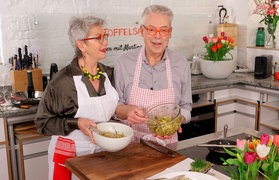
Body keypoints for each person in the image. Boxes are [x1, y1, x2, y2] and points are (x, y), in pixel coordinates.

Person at [34, 16, 118, 180]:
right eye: (98, 38)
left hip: (102, 151)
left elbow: (108, 110)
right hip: (70, 154)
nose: (105, 42)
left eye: (105, 36)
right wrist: (76, 123)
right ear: (81, 45)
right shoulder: (63, 81)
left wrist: (123, 111)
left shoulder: (107, 73)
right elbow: (42, 123)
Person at [114, 4, 192, 148]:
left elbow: (186, 107)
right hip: (130, 145)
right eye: (151, 29)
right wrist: (125, 111)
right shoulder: (123, 63)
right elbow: (114, 108)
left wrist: (175, 121)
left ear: (170, 33)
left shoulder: (181, 64)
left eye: (163, 30)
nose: (157, 35)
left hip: (167, 145)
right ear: (141, 31)